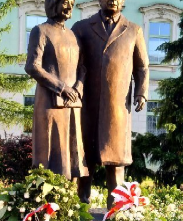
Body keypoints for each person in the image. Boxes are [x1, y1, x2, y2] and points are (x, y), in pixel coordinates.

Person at [72, 0, 149, 208]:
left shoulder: (134, 30)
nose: (113, 0)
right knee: (85, 158)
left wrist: (141, 93)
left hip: (117, 107)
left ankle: (115, 211)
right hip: (86, 104)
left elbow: (142, 67)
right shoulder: (81, 28)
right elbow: (70, 61)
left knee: (115, 162)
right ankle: (80, 206)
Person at [25, 0, 88, 180]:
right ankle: (48, 197)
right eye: (65, 3)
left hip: (72, 102)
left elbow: (82, 68)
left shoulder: (73, 36)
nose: (69, 8)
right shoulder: (41, 31)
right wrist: (61, 87)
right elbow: (32, 66)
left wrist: (77, 88)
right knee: (51, 152)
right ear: (53, 4)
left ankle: (69, 199)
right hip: (49, 101)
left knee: (72, 152)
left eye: (72, 3)